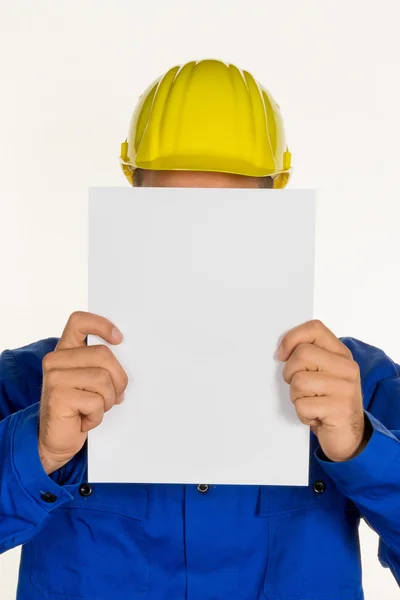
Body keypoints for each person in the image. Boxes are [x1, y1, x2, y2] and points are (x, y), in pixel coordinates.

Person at [1, 59, 399, 600]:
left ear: (275, 204)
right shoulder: (32, 382)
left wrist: (360, 447)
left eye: (229, 214)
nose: (199, 243)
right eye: (172, 212)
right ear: (133, 198)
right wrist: (38, 451)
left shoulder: (361, 384)